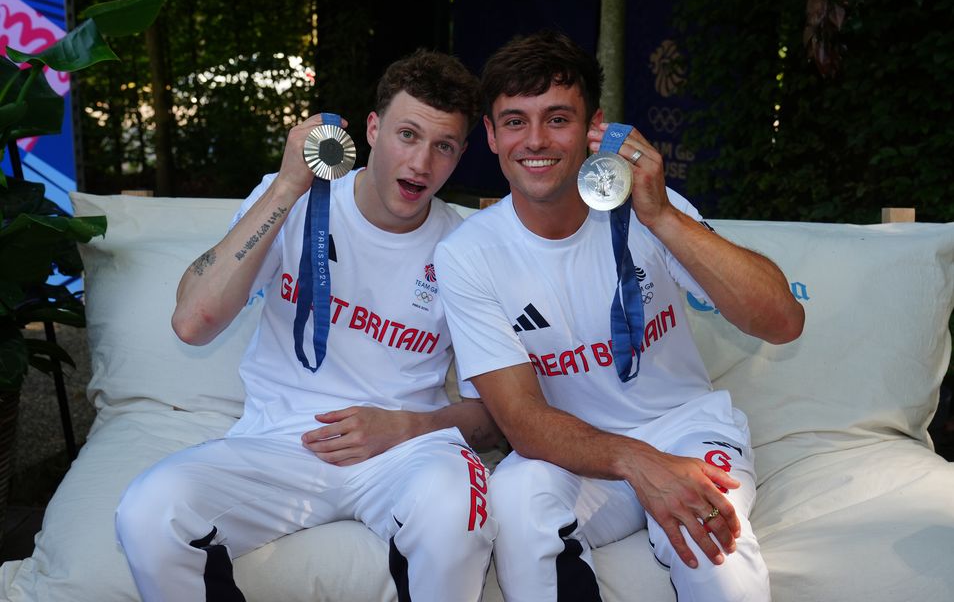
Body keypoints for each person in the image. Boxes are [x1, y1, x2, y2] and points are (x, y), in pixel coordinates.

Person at [115, 50, 500, 602]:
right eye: (407, 135)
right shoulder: (293, 198)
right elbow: (193, 322)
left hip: (404, 453)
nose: (420, 163)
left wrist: (405, 426)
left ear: (461, 154)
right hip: (279, 444)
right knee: (149, 511)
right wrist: (287, 187)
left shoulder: (467, 246)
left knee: (457, 508)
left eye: (443, 146)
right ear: (372, 129)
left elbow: (496, 416)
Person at [434, 30, 805, 602]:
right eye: (514, 121)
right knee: (512, 502)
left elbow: (782, 322)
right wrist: (641, 464)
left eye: (558, 118)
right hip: (576, 453)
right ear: (489, 134)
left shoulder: (651, 207)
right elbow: (524, 423)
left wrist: (662, 218)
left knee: (708, 542)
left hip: (686, 431)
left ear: (594, 128)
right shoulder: (468, 253)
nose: (535, 140)